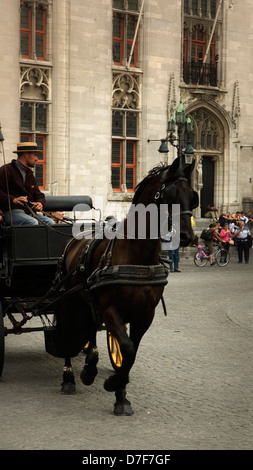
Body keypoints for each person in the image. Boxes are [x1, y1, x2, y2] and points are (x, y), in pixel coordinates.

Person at [0, 142, 54, 226]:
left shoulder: (30, 174)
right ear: (26, 154)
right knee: (32, 222)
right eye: (35, 155)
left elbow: (39, 195)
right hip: (11, 212)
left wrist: (40, 203)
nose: (37, 159)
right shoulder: (5, 170)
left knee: (50, 222)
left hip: (28, 212)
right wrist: (13, 200)